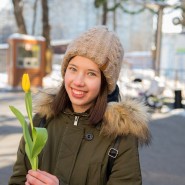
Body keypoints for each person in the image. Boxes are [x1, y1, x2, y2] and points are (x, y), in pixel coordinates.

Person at [9, 26, 151, 185]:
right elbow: (18, 179)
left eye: (91, 73)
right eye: (73, 69)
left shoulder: (121, 136)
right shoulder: (41, 122)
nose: (78, 81)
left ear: (105, 82)